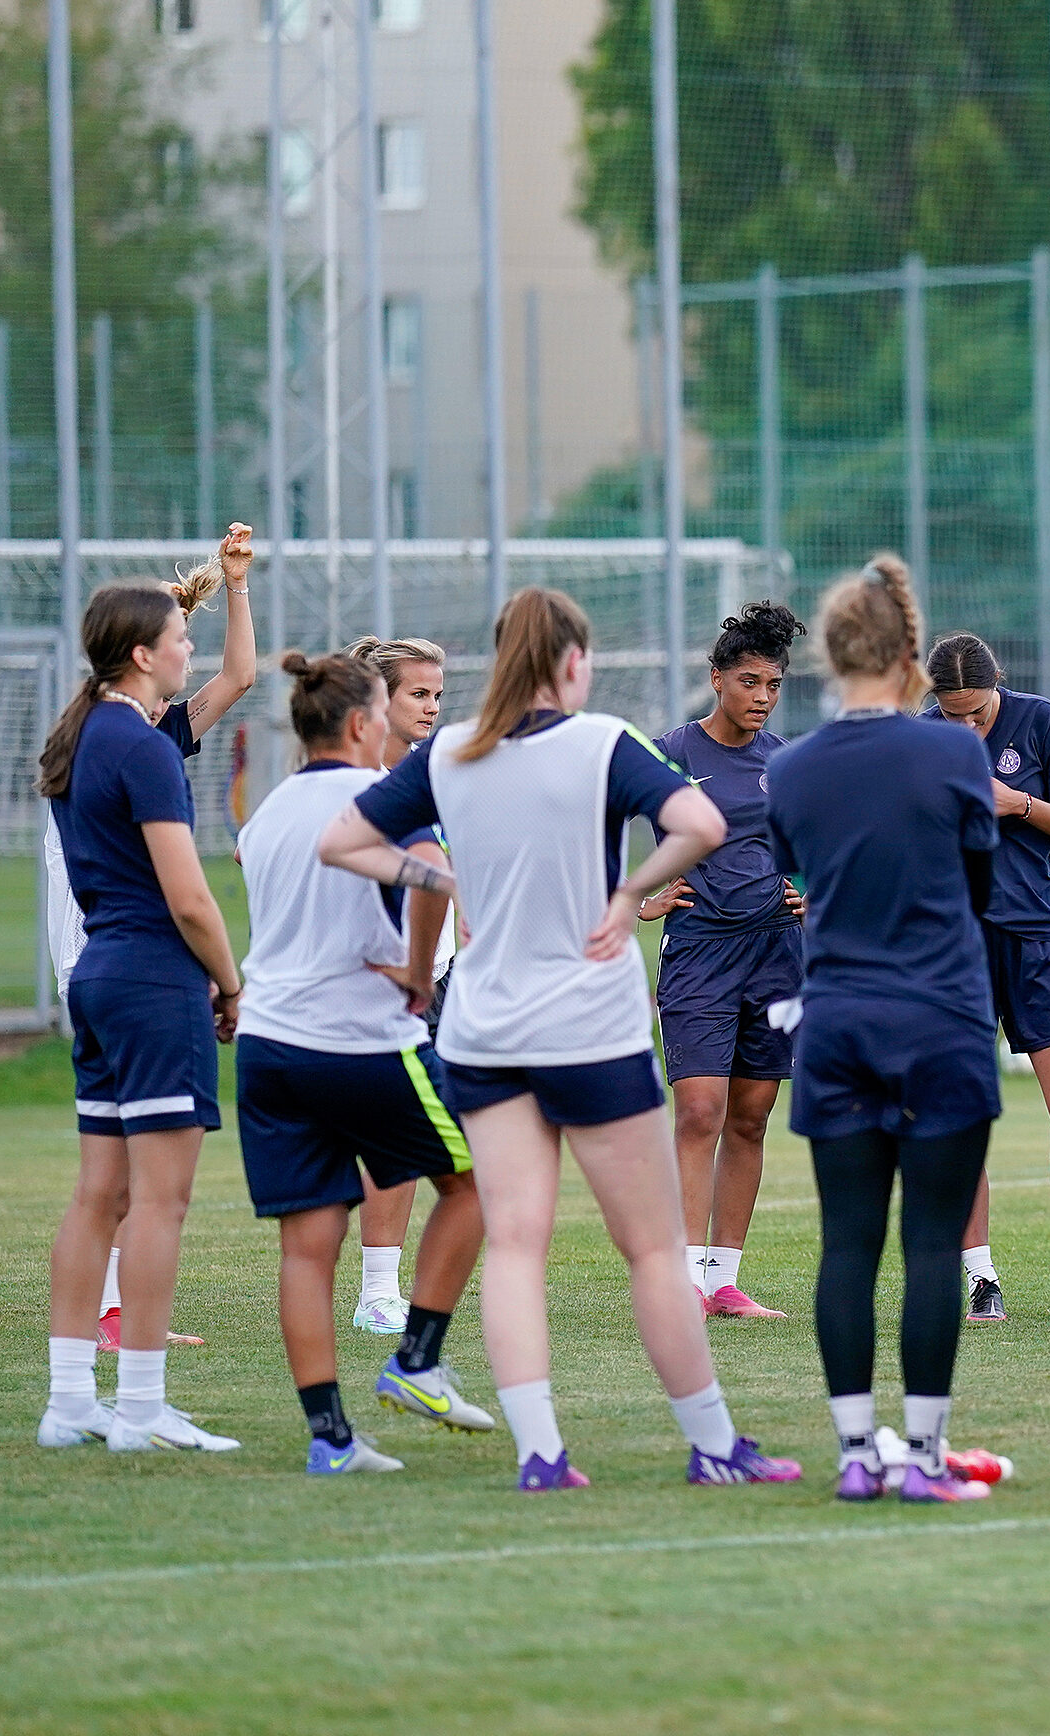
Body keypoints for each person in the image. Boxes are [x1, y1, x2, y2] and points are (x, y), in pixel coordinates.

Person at [320, 587, 798, 1493]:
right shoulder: (603, 742)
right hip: (590, 1026)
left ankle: (541, 1454)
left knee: (514, 1246)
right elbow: (699, 825)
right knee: (656, 1248)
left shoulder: (451, 753)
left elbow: (344, 840)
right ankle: (714, 1446)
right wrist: (627, 897)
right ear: (573, 664)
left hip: (486, 1029)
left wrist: (437, 877)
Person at [770, 560, 1011, 1502]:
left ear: (827, 657)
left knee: (847, 1245)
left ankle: (856, 1455)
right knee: (931, 1243)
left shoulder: (789, 768)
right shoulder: (954, 753)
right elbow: (980, 883)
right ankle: (920, 1454)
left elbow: (806, 868)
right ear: (909, 653)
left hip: (837, 1024)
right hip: (940, 1019)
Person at [233, 651, 492, 1471]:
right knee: (479, 1181)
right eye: (383, 711)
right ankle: (416, 1361)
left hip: (271, 1046)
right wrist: (420, 975)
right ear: (357, 723)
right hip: (360, 1039)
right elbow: (437, 880)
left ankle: (329, 1437)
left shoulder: (269, 811)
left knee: (307, 1243)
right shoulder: (377, 795)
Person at [37, 577, 247, 1454]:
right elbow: (189, 895)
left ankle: (69, 1402)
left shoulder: (84, 732)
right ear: (141, 653)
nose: (188, 648)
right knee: (161, 1202)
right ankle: (143, 1408)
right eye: (179, 637)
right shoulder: (142, 746)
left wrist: (220, 590)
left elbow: (231, 669)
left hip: (98, 979)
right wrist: (230, 980)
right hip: (155, 981)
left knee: (103, 1195)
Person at [923, 631, 1050, 1321]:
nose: (967, 727)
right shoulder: (919, 740)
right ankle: (980, 1279)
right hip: (954, 948)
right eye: (953, 716)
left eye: (977, 714)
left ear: (998, 688)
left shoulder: (1040, 722)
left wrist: (1017, 804)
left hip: (1035, 940)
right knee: (961, 1113)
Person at [643, 603, 809, 1321]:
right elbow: (586, 821)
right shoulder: (669, 754)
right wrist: (638, 898)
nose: (762, 697)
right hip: (701, 953)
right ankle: (680, 1280)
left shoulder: (787, 762)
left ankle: (722, 1282)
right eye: (749, 682)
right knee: (699, 1111)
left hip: (777, 953)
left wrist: (811, 893)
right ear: (716, 680)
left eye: (773, 685)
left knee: (750, 1115)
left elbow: (813, 851)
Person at [341, 633, 453, 1337]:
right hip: (373, 985)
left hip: (435, 979)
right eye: (419, 693)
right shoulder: (352, 779)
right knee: (393, 1140)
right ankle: (377, 1291)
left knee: (421, 1145)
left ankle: (387, 1288)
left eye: (439, 695)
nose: (433, 707)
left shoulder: (427, 773)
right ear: (378, 697)